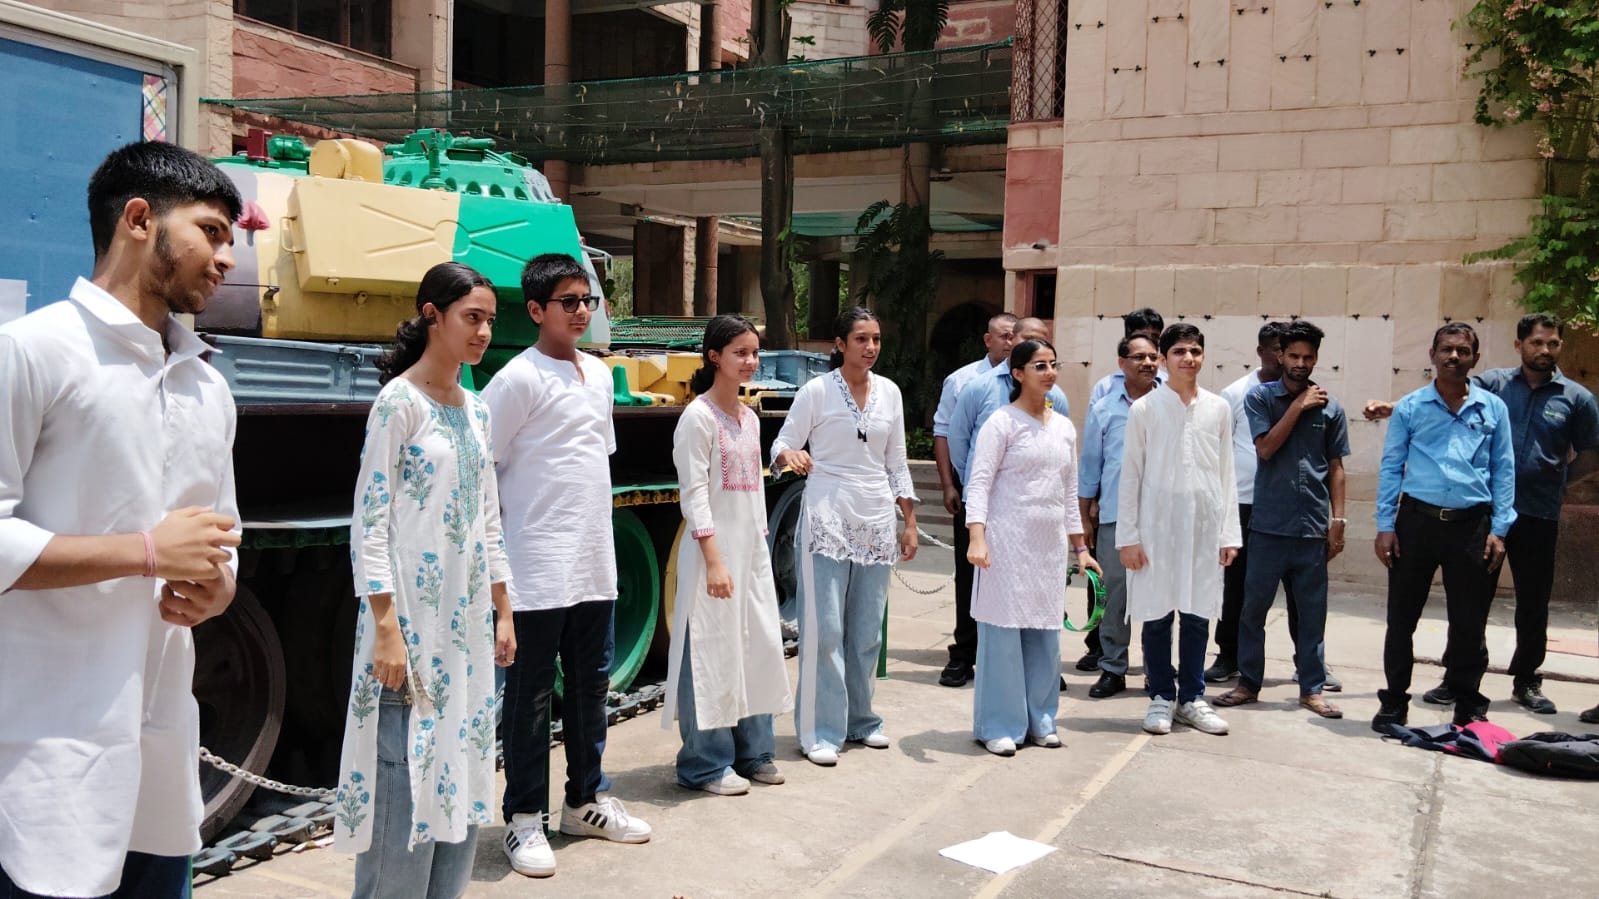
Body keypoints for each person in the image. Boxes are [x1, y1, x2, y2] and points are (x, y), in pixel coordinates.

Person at [0, 142, 243, 898]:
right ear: (139, 220)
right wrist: (144, 552)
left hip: (161, 749)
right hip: (44, 753)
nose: (227, 259)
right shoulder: (32, 352)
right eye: (211, 231)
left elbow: (222, 536)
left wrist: (218, 590)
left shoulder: (207, 386)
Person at [335, 262, 517, 898]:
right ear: (432, 316)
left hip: (465, 635)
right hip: (410, 627)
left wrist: (503, 609)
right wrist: (385, 627)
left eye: (489, 320)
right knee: (402, 781)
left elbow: (489, 516)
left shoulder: (478, 412)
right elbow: (370, 522)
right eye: (472, 317)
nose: (484, 331)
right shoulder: (398, 404)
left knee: (461, 773)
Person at [484, 253, 650, 879]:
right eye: (568, 302)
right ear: (535, 310)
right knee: (529, 698)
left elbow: (592, 459)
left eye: (588, 301)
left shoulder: (600, 376)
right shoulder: (516, 380)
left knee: (590, 687)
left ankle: (585, 801)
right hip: (534, 569)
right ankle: (524, 817)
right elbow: (483, 467)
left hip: (592, 563)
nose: (582, 311)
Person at [1365, 313, 1599, 716]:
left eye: (1552, 343)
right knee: (1459, 609)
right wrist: (1392, 407)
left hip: (1531, 512)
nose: (1544, 349)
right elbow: (1442, 392)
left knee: (1529, 602)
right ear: (1519, 345)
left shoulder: (1574, 398)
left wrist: (1557, 483)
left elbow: (1586, 453)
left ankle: (1524, 679)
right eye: (1537, 342)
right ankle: (1450, 682)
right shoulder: (1496, 385)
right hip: (1463, 516)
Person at [771, 307, 918, 766]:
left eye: (876, 339)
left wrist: (909, 522)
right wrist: (791, 456)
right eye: (861, 339)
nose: (871, 347)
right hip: (826, 518)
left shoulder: (890, 392)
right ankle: (819, 730)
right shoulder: (816, 391)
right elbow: (781, 444)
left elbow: (897, 461)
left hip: (876, 520)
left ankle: (862, 721)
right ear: (840, 344)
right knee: (826, 631)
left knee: (867, 631)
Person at [663, 315, 792, 795]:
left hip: (749, 551)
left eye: (754, 352)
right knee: (711, 652)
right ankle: (704, 763)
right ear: (714, 356)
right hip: (712, 553)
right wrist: (713, 559)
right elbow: (694, 494)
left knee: (758, 646)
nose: (750, 361)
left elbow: (753, 490)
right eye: (740, 352)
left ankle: (754, 751)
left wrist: (758, 548)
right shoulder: (697, 418)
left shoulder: (750, 417)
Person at [1370, 323, 1516, 733]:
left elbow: (1504, 469)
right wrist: (1385, 525)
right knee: (1402, 619)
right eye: (1447, 349)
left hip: (1472, 527)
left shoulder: (1493, 409)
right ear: (1432, 354)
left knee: (1469, 621)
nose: (1454, 356)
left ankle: (1468, 704)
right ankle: (1394, 701)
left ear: (1475, 358)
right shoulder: (1411, 407)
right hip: (1416, 525)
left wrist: (1500, 529)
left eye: (1463, 350)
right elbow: (1391, 466)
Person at [966, 339, 1101, 755]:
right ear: (1018, 373)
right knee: (1003, 637)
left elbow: (1069, 492)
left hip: (1048, 548)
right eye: (1039, 365)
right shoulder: (1001, 423)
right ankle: (998, 726)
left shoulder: (1063, 427)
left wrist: (1081, 548)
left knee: (1045, 636)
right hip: (1005, 543)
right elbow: (979, 482)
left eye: (1053, 364)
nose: (1049, 372)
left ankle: (1041, 720)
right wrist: (977, 536)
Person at [1213, 321, 1348, 719]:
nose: (1300, 363)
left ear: (1316, 359)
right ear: (1279, 356)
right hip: (1267, 526)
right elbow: (1266, 448)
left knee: (1311, 614)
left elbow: (1337, 468)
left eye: (1308, 357)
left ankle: (1311, 689)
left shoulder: (1332, 408)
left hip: (1311, 529)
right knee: (1252, 610)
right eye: (1293, 356)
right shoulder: (1260, 398)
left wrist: (1338, 520)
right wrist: (1298, 406)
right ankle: (1248, 683)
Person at [1117, 323, 1241, 737]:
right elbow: (1130, 476)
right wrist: (1128, 537)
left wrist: (1229, 534)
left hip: (1203, 529)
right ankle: (1160, 696)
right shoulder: (1144, 410)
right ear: (1164, 359)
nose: (1189, 359)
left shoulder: (1218, 408)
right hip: (1156, 528)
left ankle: (1191, 698)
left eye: (1195, 351)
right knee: (1156, 614)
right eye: (1180, 352)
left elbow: (1226, 473)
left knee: (1197, 613)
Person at [945, 317, 1074, 687]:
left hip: (1037, 517)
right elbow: (957, 440)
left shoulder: (1057, 397)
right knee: (975, 584)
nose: (1046, 367)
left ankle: (1039, 667)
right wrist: (976, 492)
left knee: (1038, 589)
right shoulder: (977, 386)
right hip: (986, 510)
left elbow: (1060, 452)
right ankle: (966, 654)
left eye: (1046, 347)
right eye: (1028, 340)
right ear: (1013, 342)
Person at [933, 312, 1018, 688]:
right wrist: (950, 485)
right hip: (975, 492)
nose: (1010, 342)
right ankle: (964, 652)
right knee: (970, 574)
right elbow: (946, 434)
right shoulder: (965, 381)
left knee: (1017, 575)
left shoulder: (1038, 382)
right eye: (1004, 336)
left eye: (1015, 336)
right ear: (988, 340)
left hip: (1020, 497)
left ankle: (1018, 656)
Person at [1077, 334, 1161, 699]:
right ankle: (1113, 667)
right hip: (1115, 515)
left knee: (1160, 598)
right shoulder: (1104, 409)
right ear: (1122, 363)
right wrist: (1084, 517)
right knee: (1114, 597)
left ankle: (1157, 669)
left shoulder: (1172, 404)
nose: (1148, 363)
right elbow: (1090, 467)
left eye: (1153, 356)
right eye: (1139, 357)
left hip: (1162, 518)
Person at [1087, 307, 1165, 409]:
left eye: (1154, 336)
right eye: (1141, 336)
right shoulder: (1105, 387)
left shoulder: (1168, 384)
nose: (1148, 341)